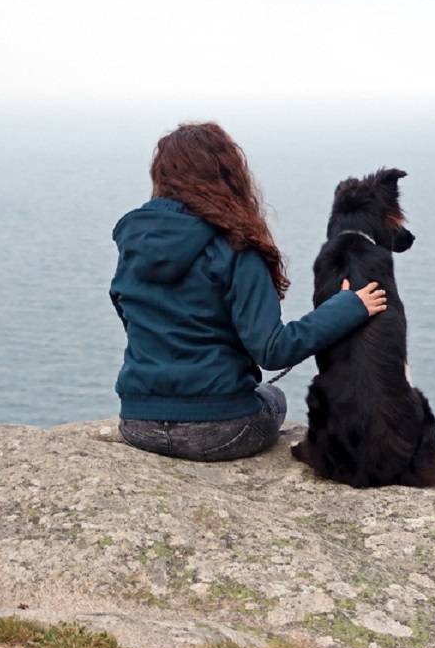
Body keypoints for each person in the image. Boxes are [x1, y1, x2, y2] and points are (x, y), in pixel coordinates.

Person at [109, 122, 386, 461]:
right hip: (218, 430)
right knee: (273, 399)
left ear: (161, 176)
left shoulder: (134, 245)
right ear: (229, 175)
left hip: (139, 424)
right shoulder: (237, 247)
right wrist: (347, 307)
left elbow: (133, 319)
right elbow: (272, 350)